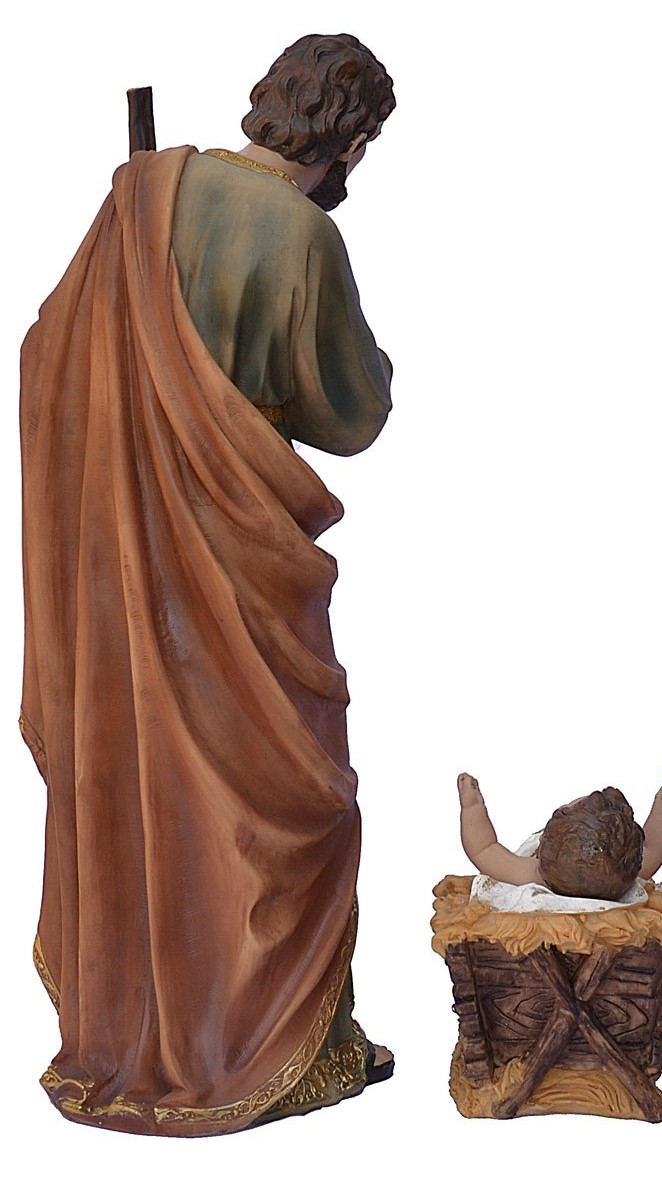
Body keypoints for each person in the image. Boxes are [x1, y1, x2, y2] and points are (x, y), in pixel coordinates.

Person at [20, 33, 396, 1135]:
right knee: (281, 799)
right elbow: (353, 414)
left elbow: (45, 351)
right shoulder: (300, 232)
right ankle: (278, 1045)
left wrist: (140, 420)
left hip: (125, 562)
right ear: (351, 141)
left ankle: (156, 1025)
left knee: (151, 783)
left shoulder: (145, 196)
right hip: (235, 559)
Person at [457, 767, 662, 899]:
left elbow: (484, 849)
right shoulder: (622, 873)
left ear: (544, 845)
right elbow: (655, 846)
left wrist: (472, 807)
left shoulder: (535, 876)